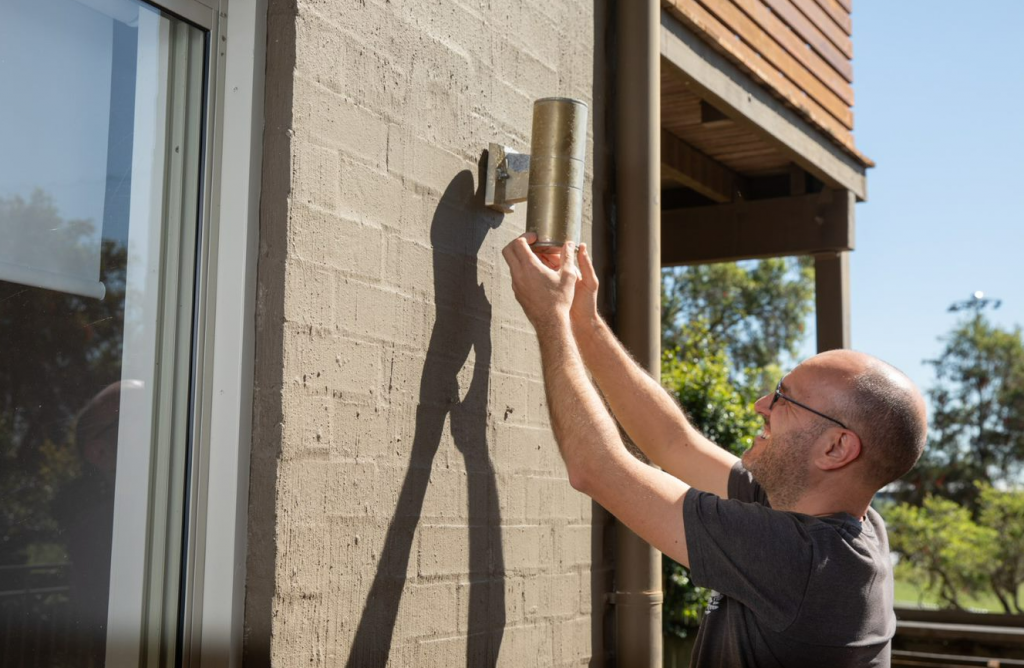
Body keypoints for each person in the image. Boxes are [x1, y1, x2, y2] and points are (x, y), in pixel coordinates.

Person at [502, 234, 928, 667]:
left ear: (836, 448)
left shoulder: (806, 563)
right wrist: (584, 324)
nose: (763, 404)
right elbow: (674, 444)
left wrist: (550, 319)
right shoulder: (841, 519)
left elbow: (596, 467)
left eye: (786, 399)